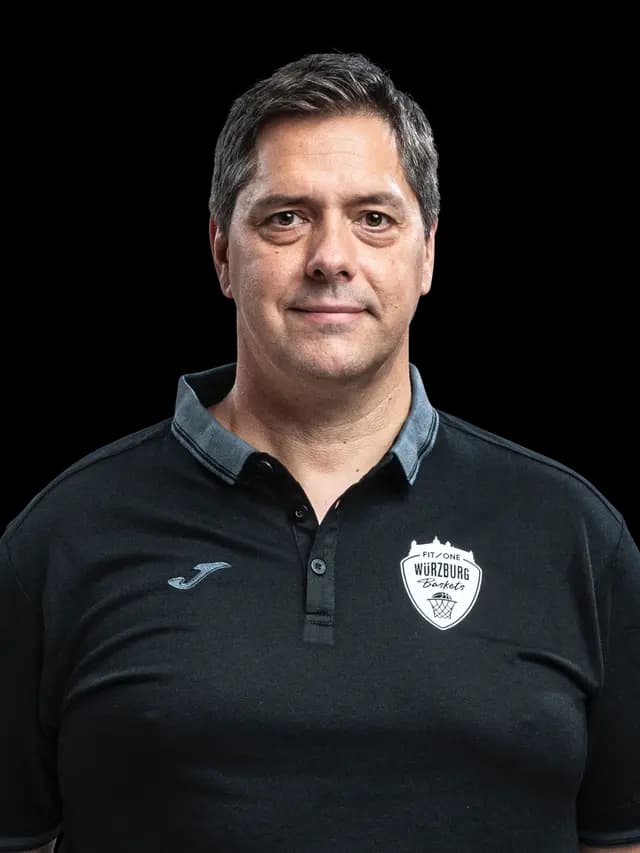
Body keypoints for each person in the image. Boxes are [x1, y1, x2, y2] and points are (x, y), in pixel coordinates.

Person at [1, 51, 638, 853]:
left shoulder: (573, 536)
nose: (331, 257)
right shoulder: (60, 540)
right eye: (286, 218)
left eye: (374, 218)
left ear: (428, 253)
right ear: (221, 252)